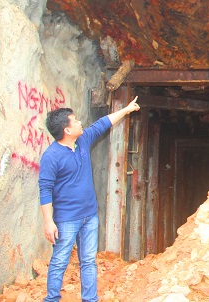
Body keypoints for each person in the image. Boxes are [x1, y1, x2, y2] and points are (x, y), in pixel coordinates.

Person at [38, 96, 140, 302]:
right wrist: (49, 223)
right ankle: (52, 299)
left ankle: (90, 299)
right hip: (67, 219)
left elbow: (102, 123)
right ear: (67, 130)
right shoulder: (51, 156)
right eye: (75, 120)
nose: (80, 122)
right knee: (60, 261)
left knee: (88, 261)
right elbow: (45, 189)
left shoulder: (82, 141)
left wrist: (126, 109)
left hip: (89, 216)